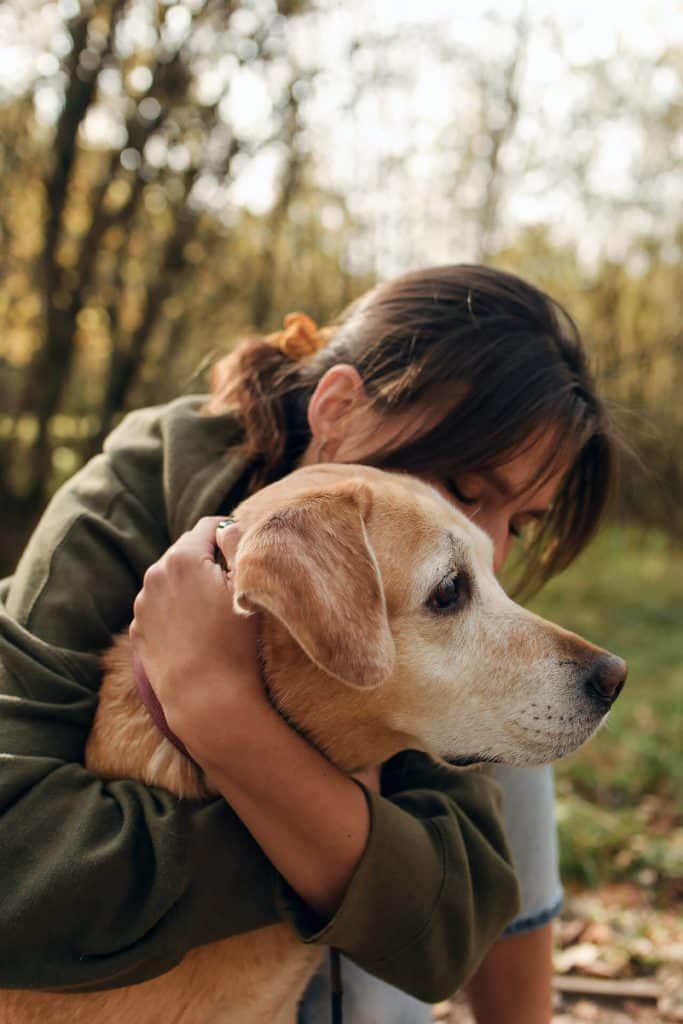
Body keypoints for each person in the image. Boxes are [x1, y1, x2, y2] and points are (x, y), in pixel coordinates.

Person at [0, 265, 615, 1022]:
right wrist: (336, 841)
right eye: (462, 485)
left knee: (511, 715)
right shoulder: (124, 504)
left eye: (518, 523)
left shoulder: (414, 579)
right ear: (338, 410)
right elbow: (15, 864)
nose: (491, 545)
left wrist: (230, 725)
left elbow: (449, 927)